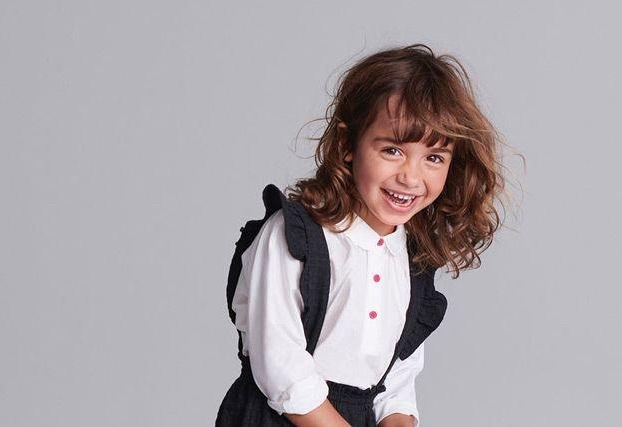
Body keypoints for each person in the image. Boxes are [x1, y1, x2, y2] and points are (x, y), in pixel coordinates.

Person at [215, 44, 516, 427]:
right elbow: (281, 369)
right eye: (392, 150)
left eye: (434, 158)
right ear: (346, 146)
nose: (411, 176)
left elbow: (396, 380)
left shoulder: (412, 260)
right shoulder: (295, 239)